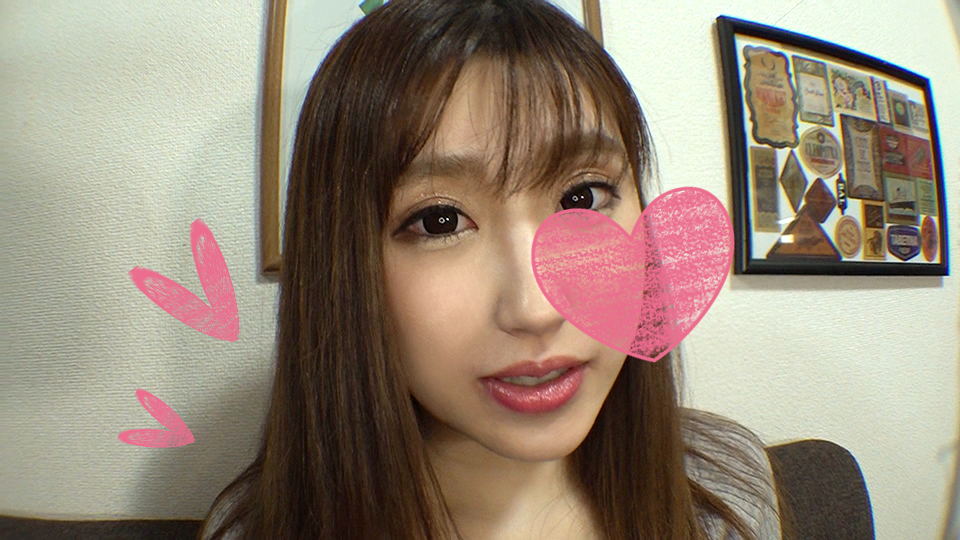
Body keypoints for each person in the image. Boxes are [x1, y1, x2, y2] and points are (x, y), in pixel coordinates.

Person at [199, 0, 786, 538]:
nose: (538, 309)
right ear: (344, 264)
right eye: (439, 222)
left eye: (582, 197)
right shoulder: (255, 530)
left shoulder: (726, 490)